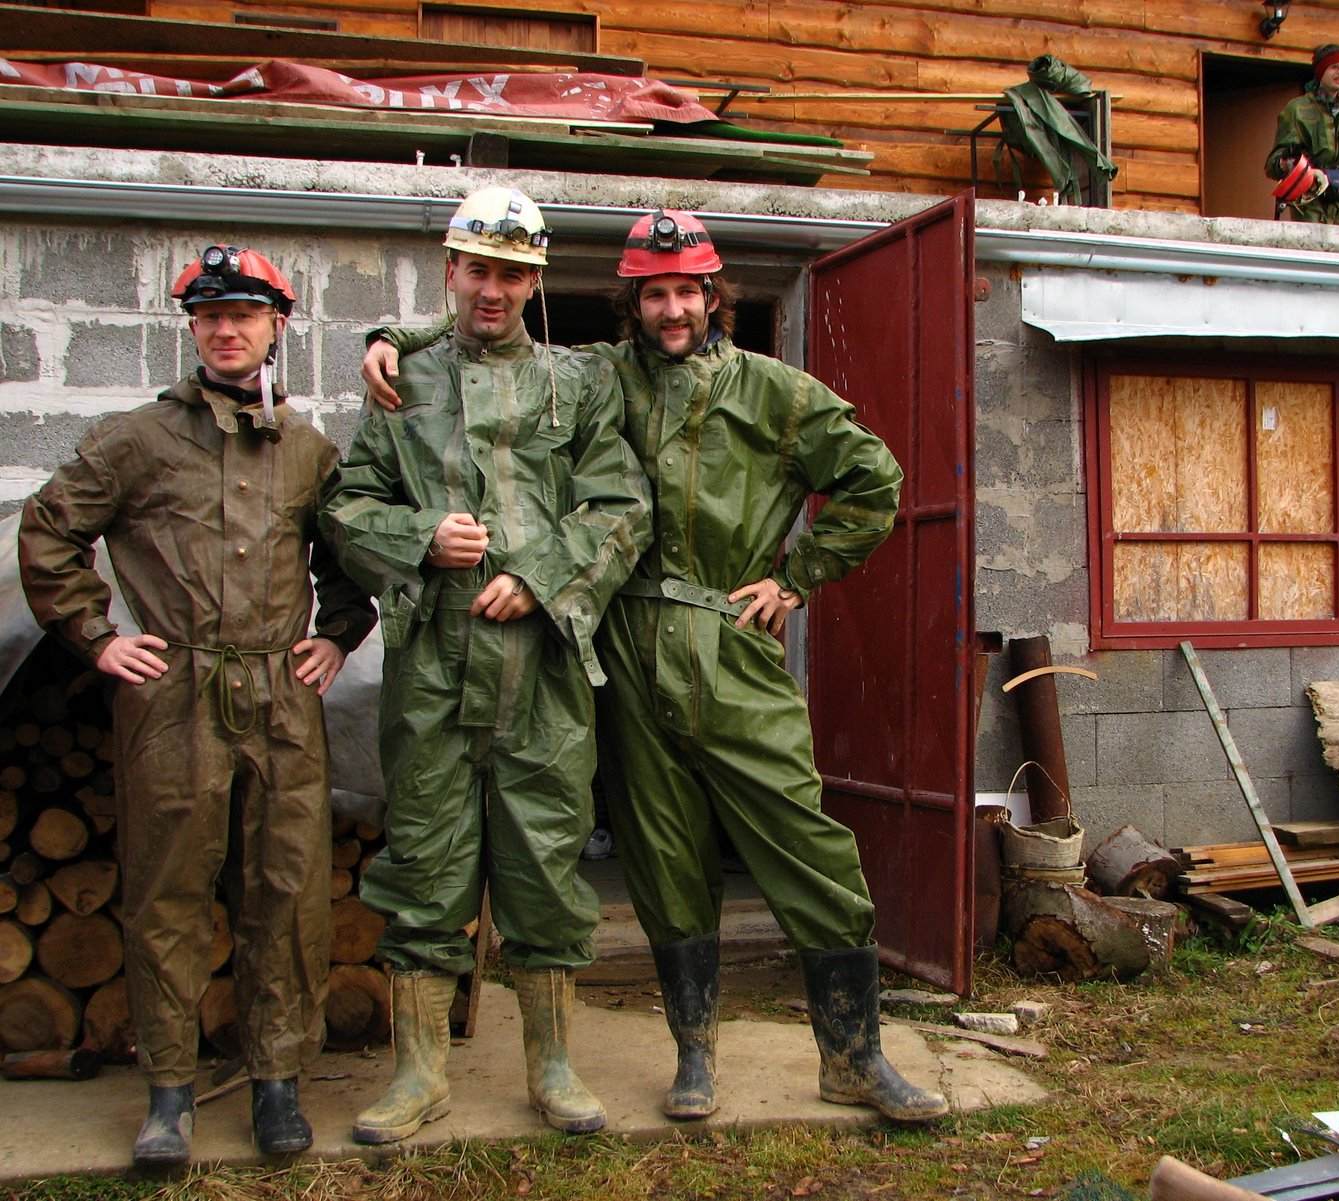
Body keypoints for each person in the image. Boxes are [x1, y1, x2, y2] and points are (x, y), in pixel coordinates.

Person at [361, 209, 949, 1125]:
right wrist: (394, 337)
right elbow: (491, 331)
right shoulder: (599, 377)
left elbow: (875, 479)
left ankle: (855, 1057)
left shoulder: (775, 391)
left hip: (729, 646)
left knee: (807, 844)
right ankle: (694, 1059)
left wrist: (796, 579)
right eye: (653, 294)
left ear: (715, 296)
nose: (672, 310)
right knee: (664, 854)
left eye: (687, 292)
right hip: (626, 651)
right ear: (631, 303)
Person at [18, 245, 376, 1165]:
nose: (226, 330)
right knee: (167, 892)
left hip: (281, 694)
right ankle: (170, 1092)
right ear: (193, 327)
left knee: (288, 892)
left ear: (275, 327)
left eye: (243, 315)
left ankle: (277, 1082)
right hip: (174, 695)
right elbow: (51, 526)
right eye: (210, 315)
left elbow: (347, 554)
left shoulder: (306, 449)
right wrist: (99, 636)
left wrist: (339, 631)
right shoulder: (138, 439)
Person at [319, 186, 651, 1144]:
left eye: (512, 273)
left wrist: (541, 577)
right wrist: (422, 536)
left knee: (546, 862)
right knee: (424, 864)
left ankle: (552, 1065)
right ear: (450, 271)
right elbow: (346, 508)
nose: (493, 290)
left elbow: (622, 507)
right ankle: (419, 1073)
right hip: (432, 668)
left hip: (543, 672)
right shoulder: (402, 385)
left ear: (534, 280)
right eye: (478, 270)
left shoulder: (574, 383)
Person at [1265, 43, 1339, 225]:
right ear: (1321, 71)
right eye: (1334, 66)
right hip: (1311, 203)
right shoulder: (1297, 110)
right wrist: (1289, 163)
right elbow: (1272, 166)